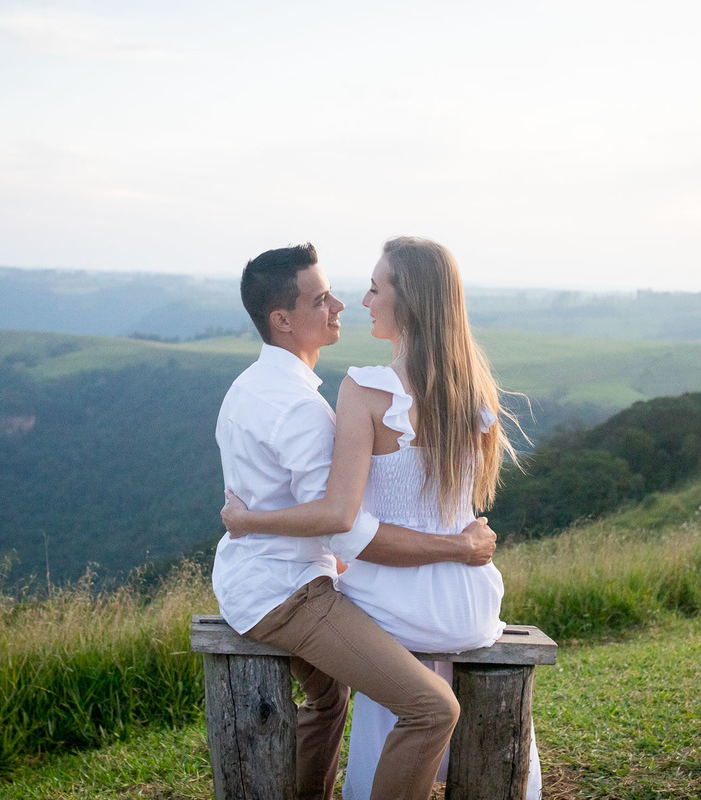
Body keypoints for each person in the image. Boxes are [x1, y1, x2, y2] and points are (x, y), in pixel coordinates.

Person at [222, 236, 542, 800]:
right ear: (283, 319)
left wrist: (247, 522)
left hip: (385, 598)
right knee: (337, 698)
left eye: (370, 288)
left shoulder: (334, 390)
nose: (348, 303)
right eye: (323, 298)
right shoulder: (474, 392)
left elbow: (342, 521)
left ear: (408, 302)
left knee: (381, 697)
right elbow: (346, 522)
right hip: (466, 600)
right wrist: (460, 549)